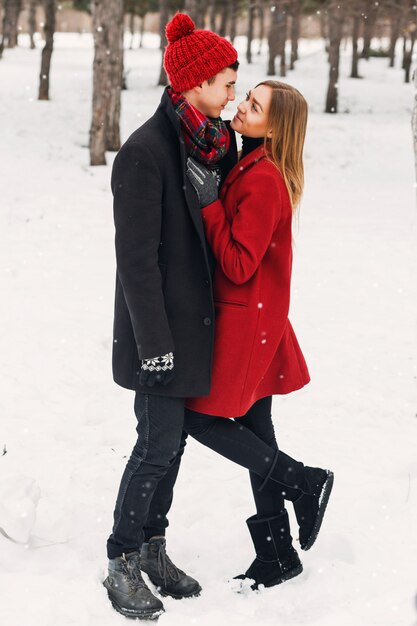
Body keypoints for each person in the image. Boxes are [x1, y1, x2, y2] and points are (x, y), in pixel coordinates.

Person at [103, 13, 239, 620]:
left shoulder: (202, 142)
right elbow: (136, 263)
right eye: (227, 82)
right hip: (157, 335)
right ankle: (121, 560)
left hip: (193, 330)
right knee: (155, 447)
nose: (233, 93)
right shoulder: (145, 152)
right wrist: (155, 345)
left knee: (174, 446)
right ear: (196, 82)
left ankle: (154, 548)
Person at [185, 81, 334, 591]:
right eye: (245, 97)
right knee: (257, 431)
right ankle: (276, 554)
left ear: (275, 128)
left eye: (253, 107)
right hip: (259, 318)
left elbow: (239, 262)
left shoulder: (264, 179)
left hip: (249, 323)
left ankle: (302, 480)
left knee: (196, 419)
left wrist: (208, 205)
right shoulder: (251, 163)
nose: (240, 108)